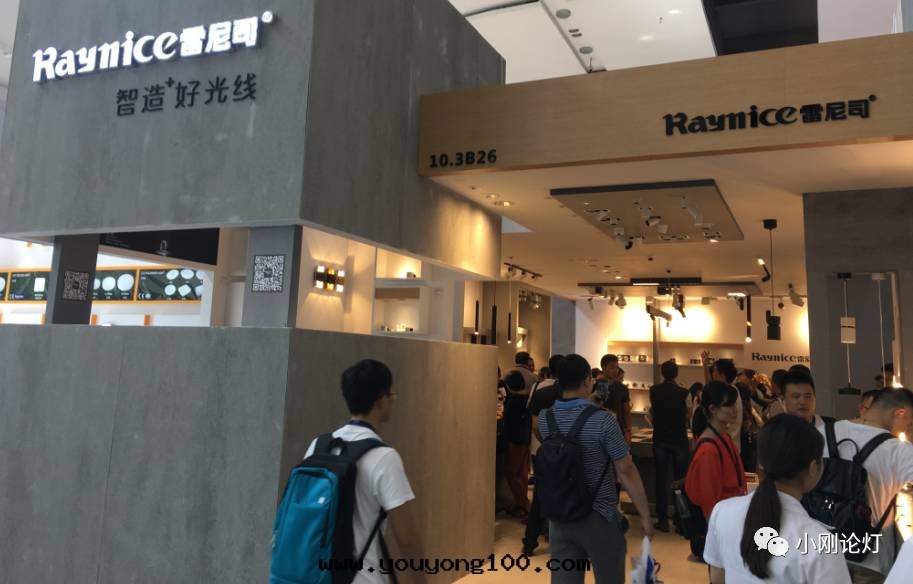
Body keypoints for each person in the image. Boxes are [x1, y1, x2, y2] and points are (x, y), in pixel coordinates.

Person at [303, 359, 425, 584]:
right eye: (392, 395)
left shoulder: (318, 447)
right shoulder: (384, 458)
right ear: (380, 401)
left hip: (317, 575)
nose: (393, 401)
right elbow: (407, 539)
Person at [538, 354, 653, 583]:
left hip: (559, 517)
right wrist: (645, 515)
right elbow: (625, 469)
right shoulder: (604, 420)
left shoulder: (545, 418)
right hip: (598, 515)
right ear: (587, 381)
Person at [704, 414, 851, 583]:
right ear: (813, 468)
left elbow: (717, 578)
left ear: (761, 462)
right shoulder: (820, 542)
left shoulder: (723, 511)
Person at [813, 388, 913, 581]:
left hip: (820, 553)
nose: (905, 431)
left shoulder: (823, 432)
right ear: (899, 413)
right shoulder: (898, 450)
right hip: (869, 562)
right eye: (908, 424)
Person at [684, 381, 746, 558]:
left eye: (735, 403)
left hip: (733, 523)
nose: (735, 409)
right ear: (713, 409)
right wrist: (720, 543)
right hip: (723, 530)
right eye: (729, 405)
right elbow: (709, 505)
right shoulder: (708, 451)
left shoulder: (723, 437)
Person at [524, 354, 565, 556]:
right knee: (566, 493)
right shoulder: (570, 394)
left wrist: (547, 441)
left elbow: (535, 426)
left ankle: (529, 542)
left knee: (540, 495)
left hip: (545, 450)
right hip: (567, 451)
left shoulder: (541, 393)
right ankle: (562, 539)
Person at [649, 360, 691, 533]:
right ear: (676, 373)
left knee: (661, 480)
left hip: (660, 438)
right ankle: (681, 521)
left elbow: (653, 412)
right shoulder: (684, 392)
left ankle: (662, 519)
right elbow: (688, 415)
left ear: (662, 373)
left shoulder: (654, 391)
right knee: (680, 481)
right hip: (679, 439)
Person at [502, 371, 532, 517]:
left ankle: (524, 505)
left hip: (515, 440)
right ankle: (521, 504)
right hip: (525, 439)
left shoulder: (513, 400)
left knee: (511, 473)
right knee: (522, 473)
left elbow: (508, 424)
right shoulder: (527, 398)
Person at [594, 354, 633, 444]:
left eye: (617, 367)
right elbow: (597, 407)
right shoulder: (598, 385)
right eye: (612, 367)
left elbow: (626, 412)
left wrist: (628, 431)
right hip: (600, 430)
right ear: (603, 367)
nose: (615, 370)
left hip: (618, 430)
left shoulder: (622, 388)